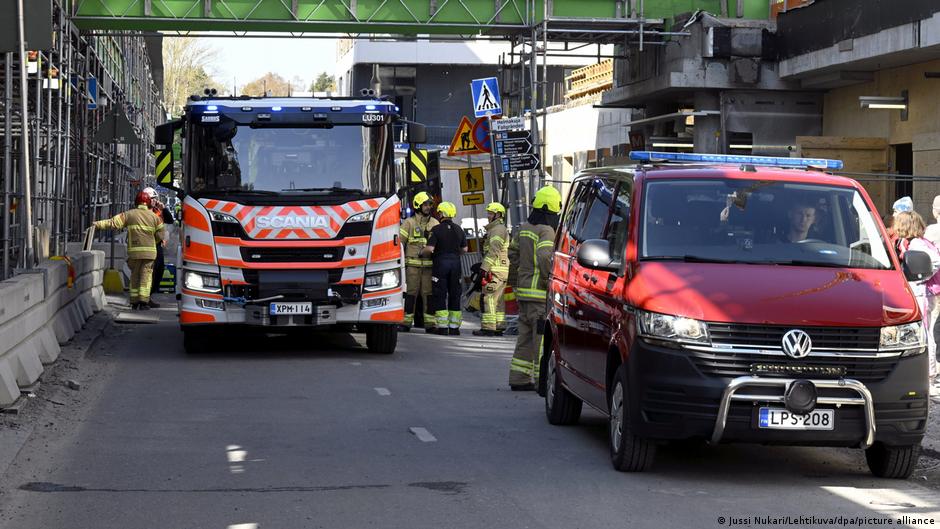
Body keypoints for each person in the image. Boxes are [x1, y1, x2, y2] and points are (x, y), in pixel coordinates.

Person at [507, 185, 562, 391]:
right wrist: (549, 278)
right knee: (541, 341)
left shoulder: (524, 228)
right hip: (540, 295)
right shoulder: (547, 230)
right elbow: (545, 257)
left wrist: (523, 271)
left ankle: (519, 379)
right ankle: (542, 382)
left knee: (524, 338)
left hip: (524, 293)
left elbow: (512, 254)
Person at [93, 191, 166, 310]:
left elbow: (112, 223)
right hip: (149, 253)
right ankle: (143, 302)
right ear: (147, 203)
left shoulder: (129, 214)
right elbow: (161, 235)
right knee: (146, 277)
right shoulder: (155, 217)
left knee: (135, 276)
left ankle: (134, 301)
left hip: (134, 252)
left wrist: (97, 224)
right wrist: (153, 240)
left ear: (136, 202)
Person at [894, 211, 940, 387]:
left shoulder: (917, 245)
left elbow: (935, 261)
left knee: (924, 333)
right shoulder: (912, 243)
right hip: (920, 291)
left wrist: (920, 277)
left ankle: (929, 374)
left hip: (922, 292)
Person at [422, 202, 467, 335]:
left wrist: (421, 252)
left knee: (440, 294)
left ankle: (442, 327)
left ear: (441, 214)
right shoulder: (459, 229)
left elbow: (430, 249)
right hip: (455, 264)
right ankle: (454, 328)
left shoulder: (436, 230)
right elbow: (464, 249)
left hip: (440, 264)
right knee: (455, 294)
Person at [399, 192, 439, 332]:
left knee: (428, 295)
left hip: (428, 268)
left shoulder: (435, 223)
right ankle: (406, 323)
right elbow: (399, 245)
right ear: (417, 205)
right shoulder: (408, 223)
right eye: (425, 204)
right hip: (413, 267)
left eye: (429, 205)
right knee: (411, 294)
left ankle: (430, 324)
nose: (428, 207)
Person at [474, 202, 509, 337]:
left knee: (489, 298)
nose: (488, 216)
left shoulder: (497, 230)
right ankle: (499, 326)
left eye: (490, 213)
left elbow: (493, 251)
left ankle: (488, 328)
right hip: (500, 270)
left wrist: (484, 268)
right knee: (498, 300)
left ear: (498, 215)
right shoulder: (497, 229)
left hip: (495, 270)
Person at [143, 187, 175, 304]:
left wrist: (164, 208)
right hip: (148, 245)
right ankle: (143, 298)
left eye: (155, 199)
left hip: (157, 245)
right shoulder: (144, 212)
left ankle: (149, 295)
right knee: (148, 273)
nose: (155, 201)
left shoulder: (158, 210)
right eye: (152, 199)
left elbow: (170, 220)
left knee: (159, 270)